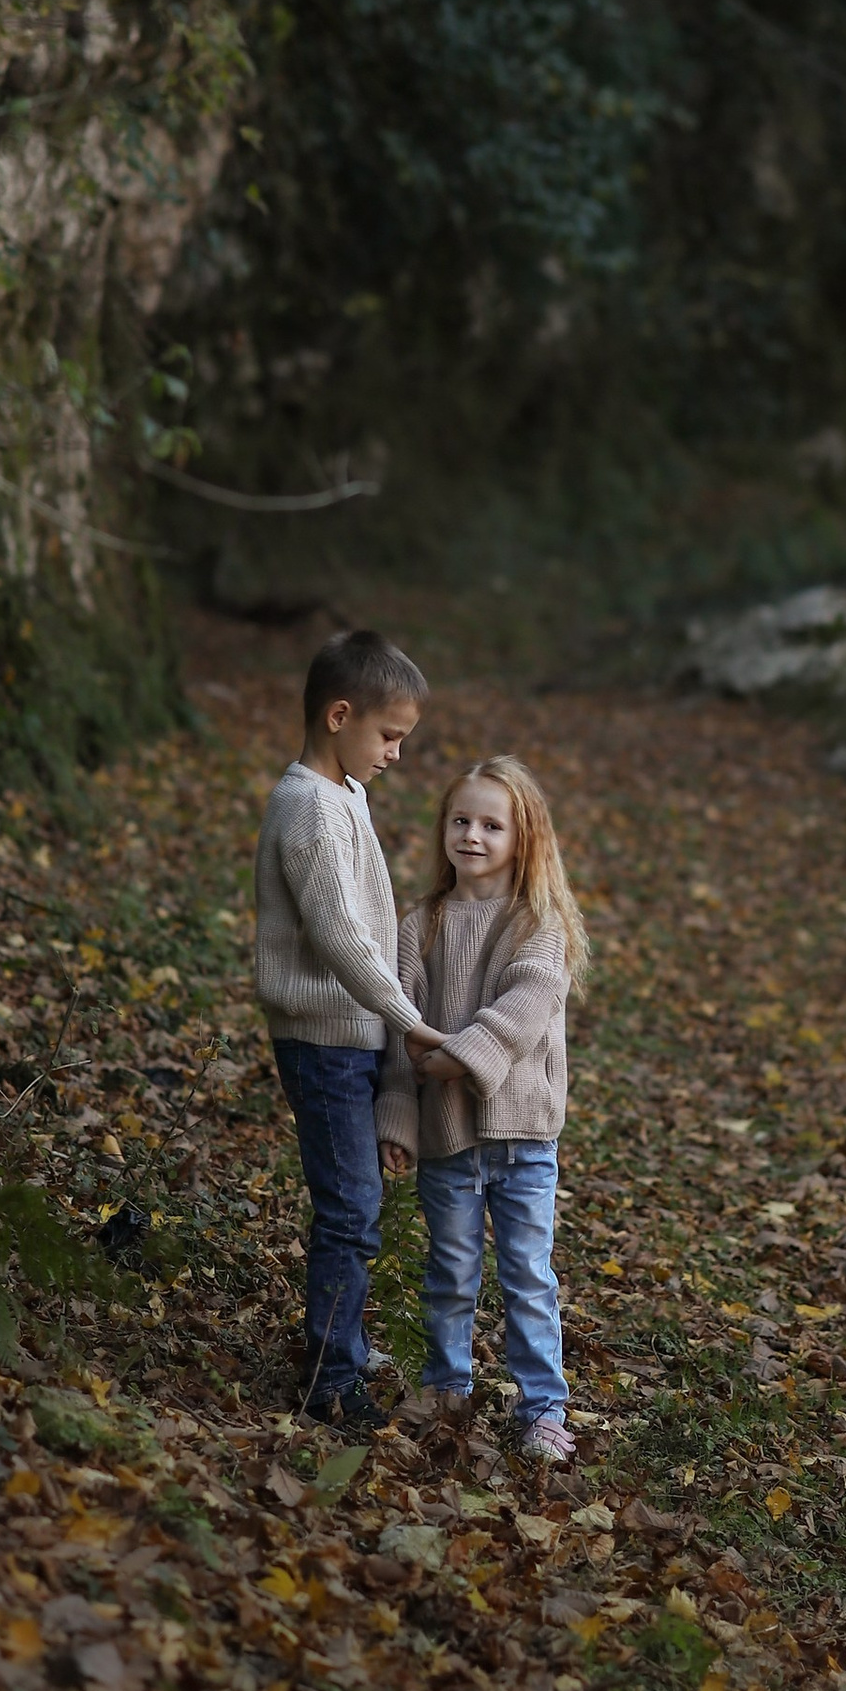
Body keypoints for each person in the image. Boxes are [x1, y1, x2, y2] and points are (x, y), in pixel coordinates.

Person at [253, 625, 448, 1429]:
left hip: (355, 1035)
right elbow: (338, 938)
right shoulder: (304, 807)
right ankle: (330, 1379)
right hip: (323, 1039)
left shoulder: (348, 796)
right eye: (389, 735)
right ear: (340, 716)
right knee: (350, 1209)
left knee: (356, 1200)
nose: (396, 754)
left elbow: (367, 915)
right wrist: (411, 1021)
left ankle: (344, 1343)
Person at [375, 753, 589, 1467]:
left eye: (491, 825)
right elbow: (397, 1032)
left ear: (522, 838)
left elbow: (521, 1010)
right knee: (451, 1271)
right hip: (448, 1138)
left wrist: (455, 1056)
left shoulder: (539, 926)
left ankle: (544, 1409)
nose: (472, 835)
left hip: (524, 1136)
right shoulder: (420, 925)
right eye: (460, 820)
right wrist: (398, 1121)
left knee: (528, 1275)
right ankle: (446, 1389)